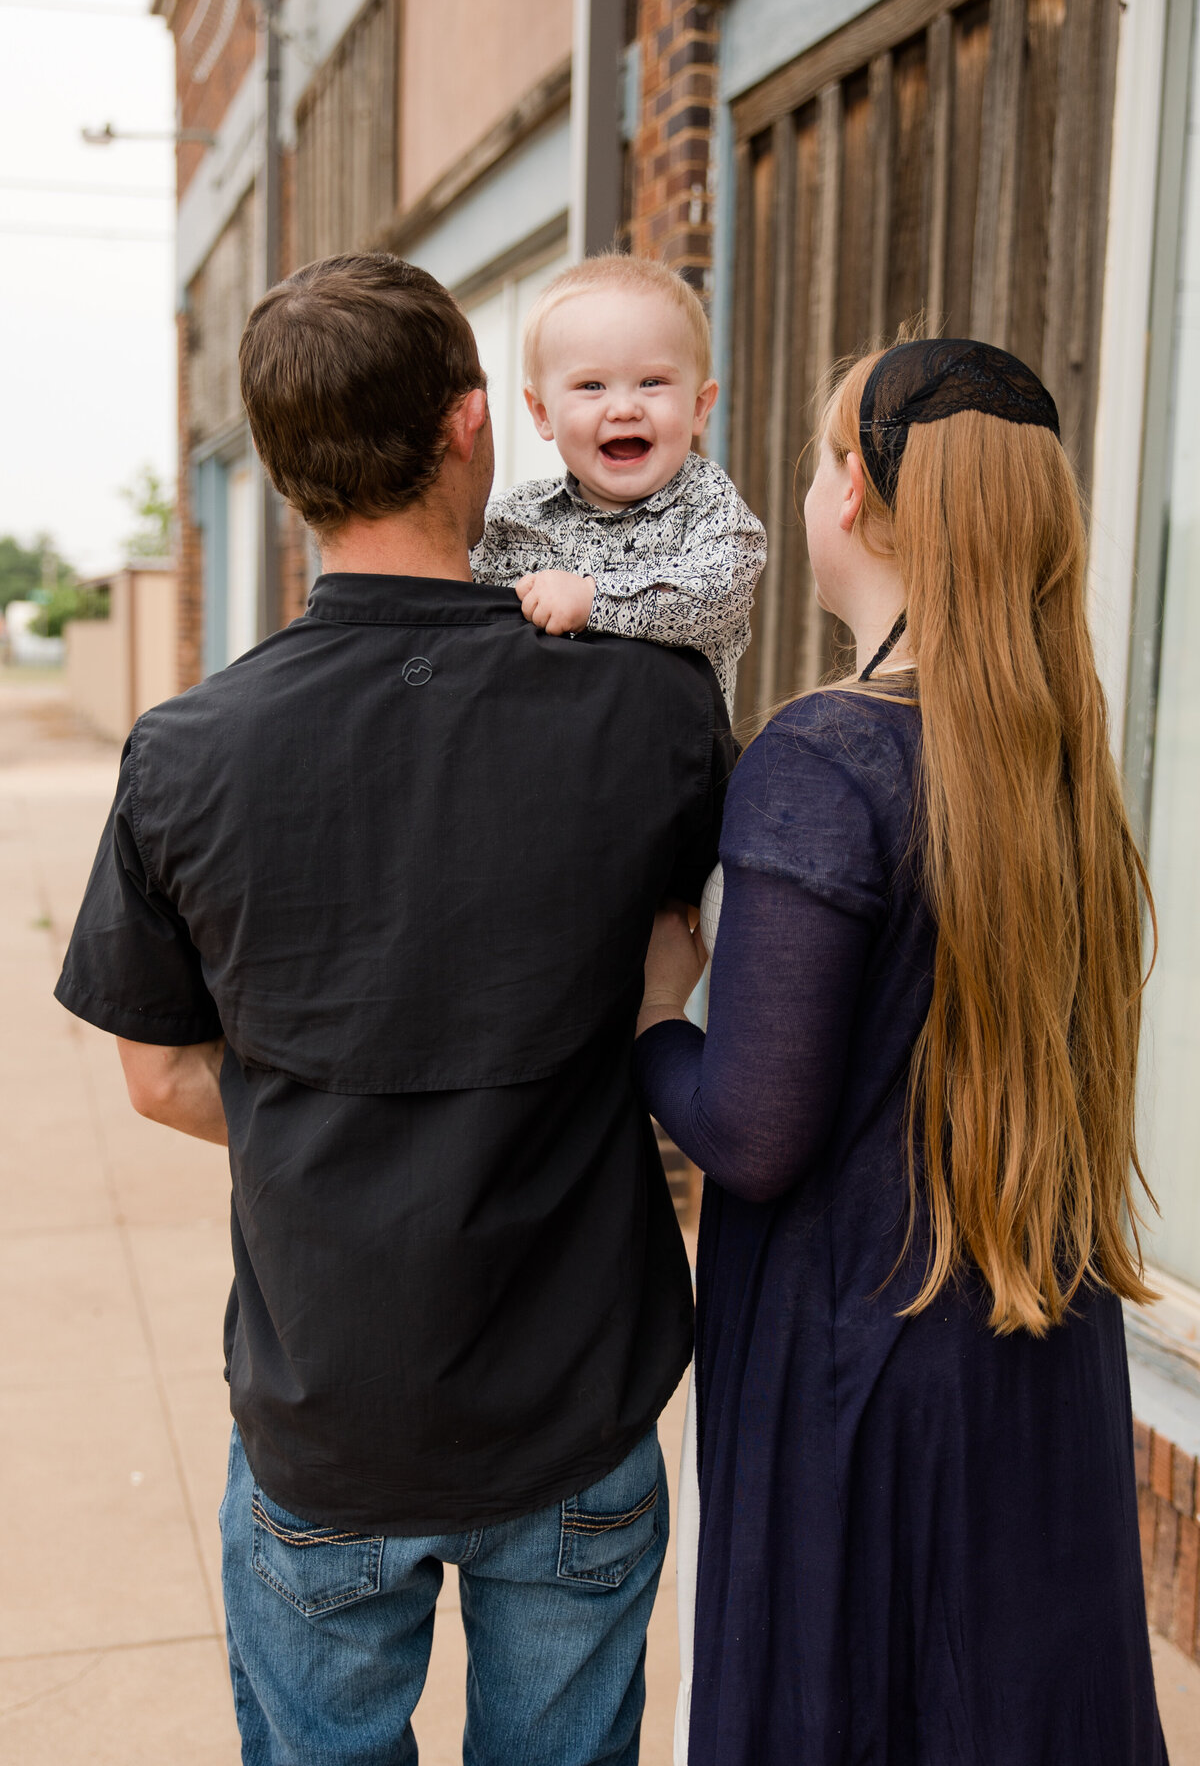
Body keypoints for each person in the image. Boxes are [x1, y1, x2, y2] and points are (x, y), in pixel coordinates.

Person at [54, 252, 734, 1766]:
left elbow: (161, 1081)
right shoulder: (659, 708)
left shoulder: (186, 752)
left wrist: (328, 1108)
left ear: (285, 474)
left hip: (326, 1409)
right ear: (476, 428)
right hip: (574, 1400)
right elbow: (692, 972)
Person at [634, 338, 1166, 1765]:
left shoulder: (824, 755)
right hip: (1034, 1339)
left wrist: (648, 1028)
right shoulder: (1062, 748)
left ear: (856, 493)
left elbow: (751, 1130)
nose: (811, 489)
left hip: (852, 1371)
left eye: (817, 458)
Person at [470, 254, 766, 714]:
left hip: (672, 771)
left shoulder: (706, 503)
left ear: (699, 407)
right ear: (543, 413)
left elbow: (722, 592)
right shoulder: (513, 521)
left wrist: (593, 600)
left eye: (652, 382)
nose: (624, 408)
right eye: (592, 386)